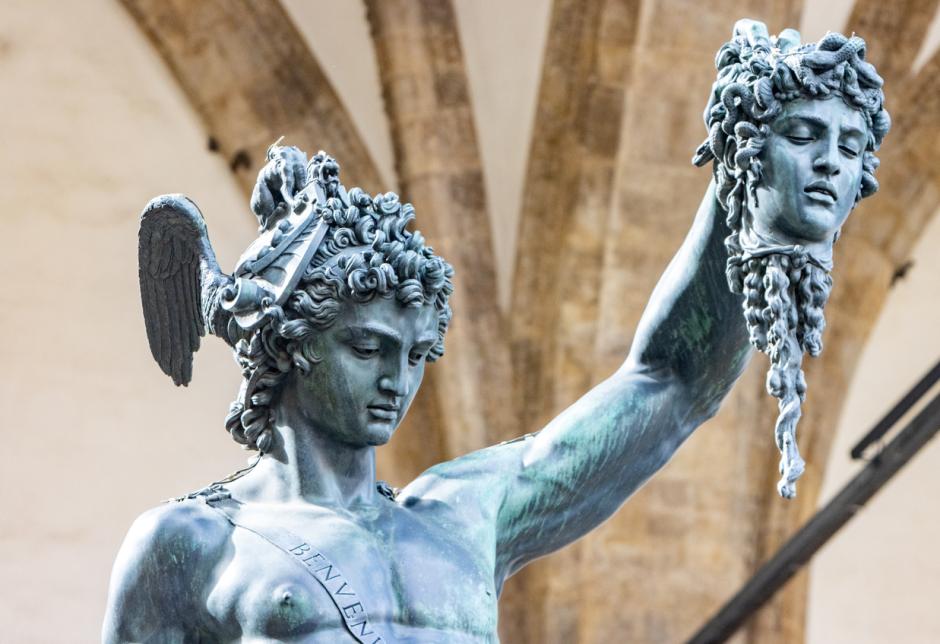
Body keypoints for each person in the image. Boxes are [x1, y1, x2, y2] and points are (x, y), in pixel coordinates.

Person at [103, 20, 888, 643]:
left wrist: (746, 195)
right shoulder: (192, 545)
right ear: (288, 346)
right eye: (367, 347)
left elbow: (672, 383)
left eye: (415, 355)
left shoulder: (464, 517)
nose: (397, 382)